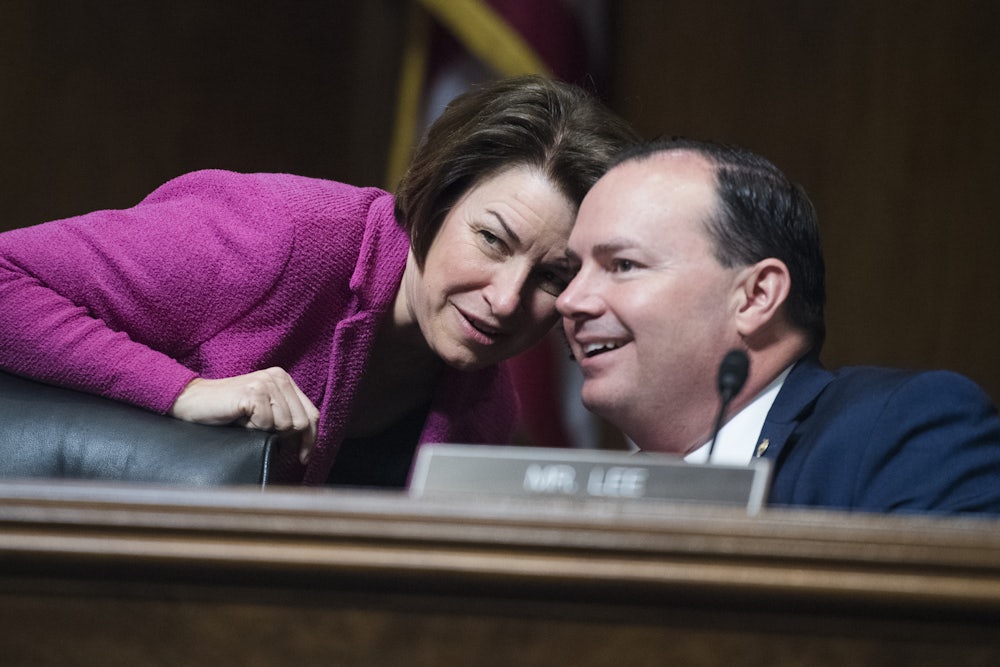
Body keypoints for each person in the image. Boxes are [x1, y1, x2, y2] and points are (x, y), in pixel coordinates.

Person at [0, 75, 639, 487]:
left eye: (552, 277)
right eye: (492, 240)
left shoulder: (489, 409)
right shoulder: (276, 237)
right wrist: (184, 392)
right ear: (433, 202)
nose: (506, 301)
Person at [556, 137, 1000, 514]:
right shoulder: (580, 496)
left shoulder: (904, 431)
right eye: (572, 270)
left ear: (756, 297)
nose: (569, 300)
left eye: (623, 265)